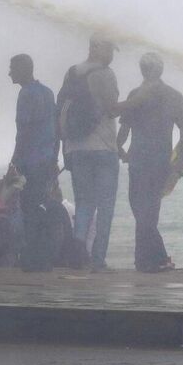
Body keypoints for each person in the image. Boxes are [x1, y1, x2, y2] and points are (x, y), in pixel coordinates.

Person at [116, 51, 183, 272]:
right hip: (159, 160)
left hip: (139, 159)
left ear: (142, 70)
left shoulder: (137, 94)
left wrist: (119, 148)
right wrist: (179, 163)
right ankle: (158, 257)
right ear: (161, 70)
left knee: (141, 209)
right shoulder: (173, 96)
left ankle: (144, 262)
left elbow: (124, 129)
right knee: (148, 211)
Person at [57, 37, 121, 271]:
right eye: (110, 50)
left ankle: (77, 254)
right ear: (100, 49)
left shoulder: (72, 72)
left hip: (76, 148)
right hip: (103, 148)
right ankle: (97, 259)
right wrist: (135, 103)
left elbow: (62, 106)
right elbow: (113, 109)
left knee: (83, 203)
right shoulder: (105, 73)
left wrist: (65, 146)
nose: (112, 55)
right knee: (106, 206)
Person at [8, 54, 60, 272]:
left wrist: (13, 163)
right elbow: (57, 130)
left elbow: (24, 132)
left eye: (12, 68)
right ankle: (44, 257)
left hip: (30, 161)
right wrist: (54, 158)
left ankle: (33, 259)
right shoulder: (47, 93)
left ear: (23, 69)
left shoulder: (26, 94)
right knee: (41, 207)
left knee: (29, 209)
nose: (9, 73)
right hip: (47, 160)